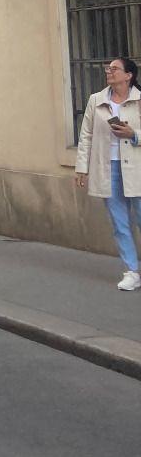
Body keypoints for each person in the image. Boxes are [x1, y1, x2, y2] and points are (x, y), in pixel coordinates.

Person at [76, 55, 141, 289]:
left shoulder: (139, 100)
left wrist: (133, 134)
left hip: (137, 168)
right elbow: (86, 135)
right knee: (119, 223)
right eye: (108, 68)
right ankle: (132, 271)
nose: (109, 72)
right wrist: (82, 168)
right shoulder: (96, 100)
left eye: (114, 68)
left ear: (128, 75)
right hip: (107, 167)